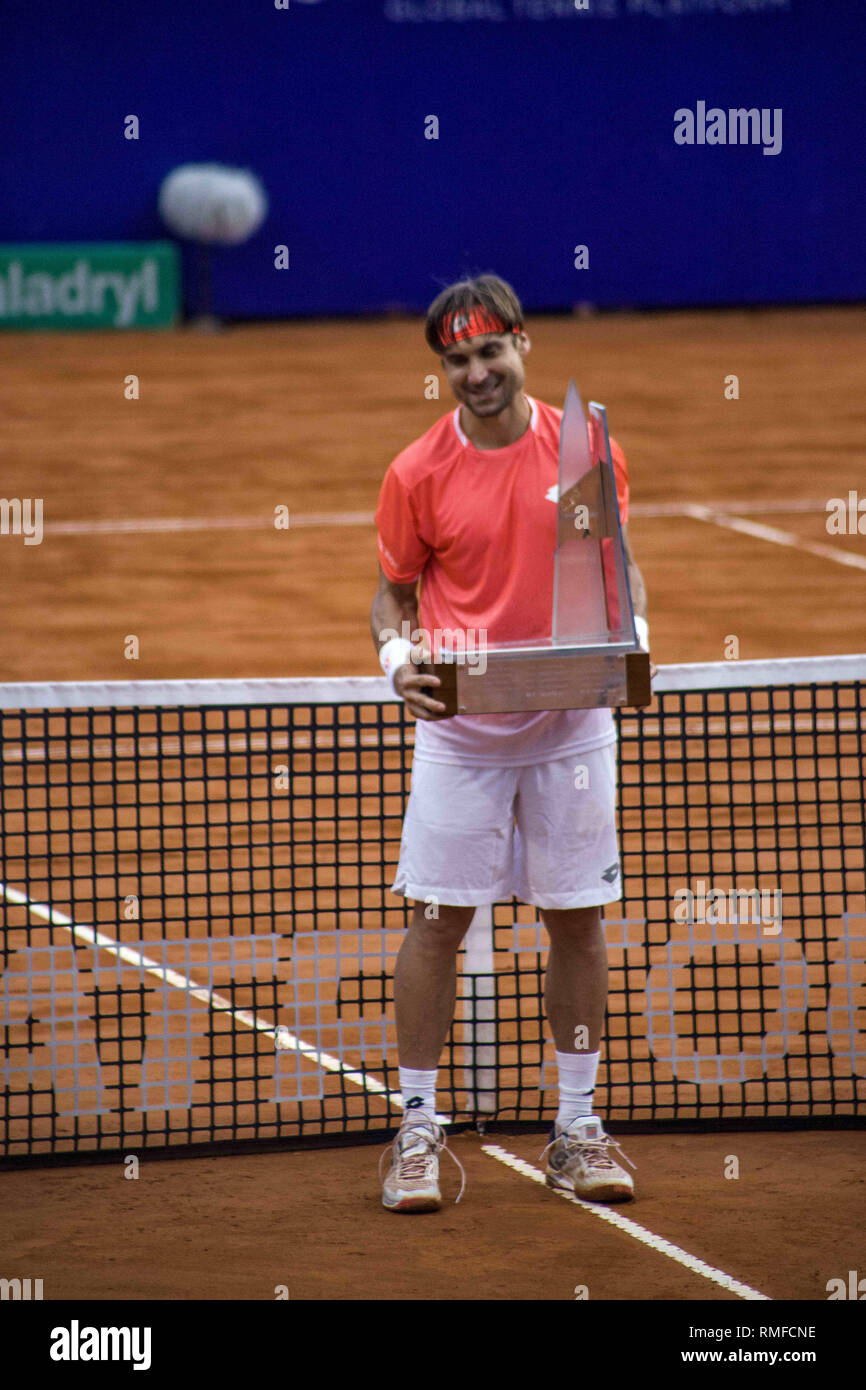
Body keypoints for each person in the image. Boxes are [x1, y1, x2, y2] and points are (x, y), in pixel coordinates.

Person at [370, 274, 648, 1213]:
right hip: (460, 731)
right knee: (439, 922)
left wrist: (632, 645)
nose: (477, 372)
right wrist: (395, 657)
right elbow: (394, 589)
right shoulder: (416, 472)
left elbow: (613, 562)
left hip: (571, 724)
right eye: (457, 359)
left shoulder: (583, 446)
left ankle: (575, 1129)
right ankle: (416, 1130)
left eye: (491, 352)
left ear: (523, 343)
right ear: (443, 367)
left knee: (575, 919)